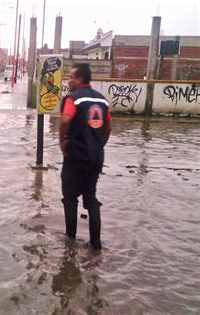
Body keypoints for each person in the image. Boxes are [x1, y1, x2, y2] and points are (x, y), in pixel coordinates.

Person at [59, 63, 111, 250]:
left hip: (75, 157)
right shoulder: (102, 100)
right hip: (96, 158)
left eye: (71, 77)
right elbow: (108, 128)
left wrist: (62, 140)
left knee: (70, 199)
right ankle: (95, 245)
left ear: (80, 79)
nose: (68, 80)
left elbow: (65, 120)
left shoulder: (73, 99)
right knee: (91, 198)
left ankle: (70, 243)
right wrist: (98, 146)